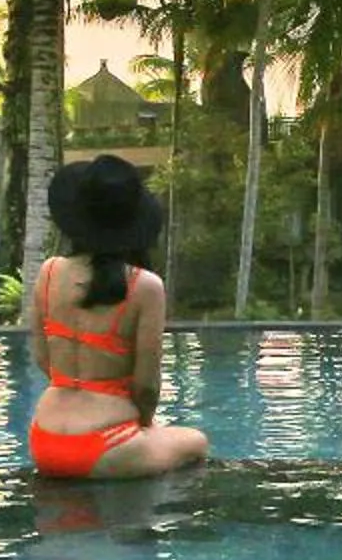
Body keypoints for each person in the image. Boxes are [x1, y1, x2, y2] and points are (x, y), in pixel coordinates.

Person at [25, 155, 212, 481]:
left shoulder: (49, 272)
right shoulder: (145, 287)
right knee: (196, 442)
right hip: (108, 446)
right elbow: (146, 386)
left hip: (44, 439)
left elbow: (43, 359)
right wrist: (144, 423)